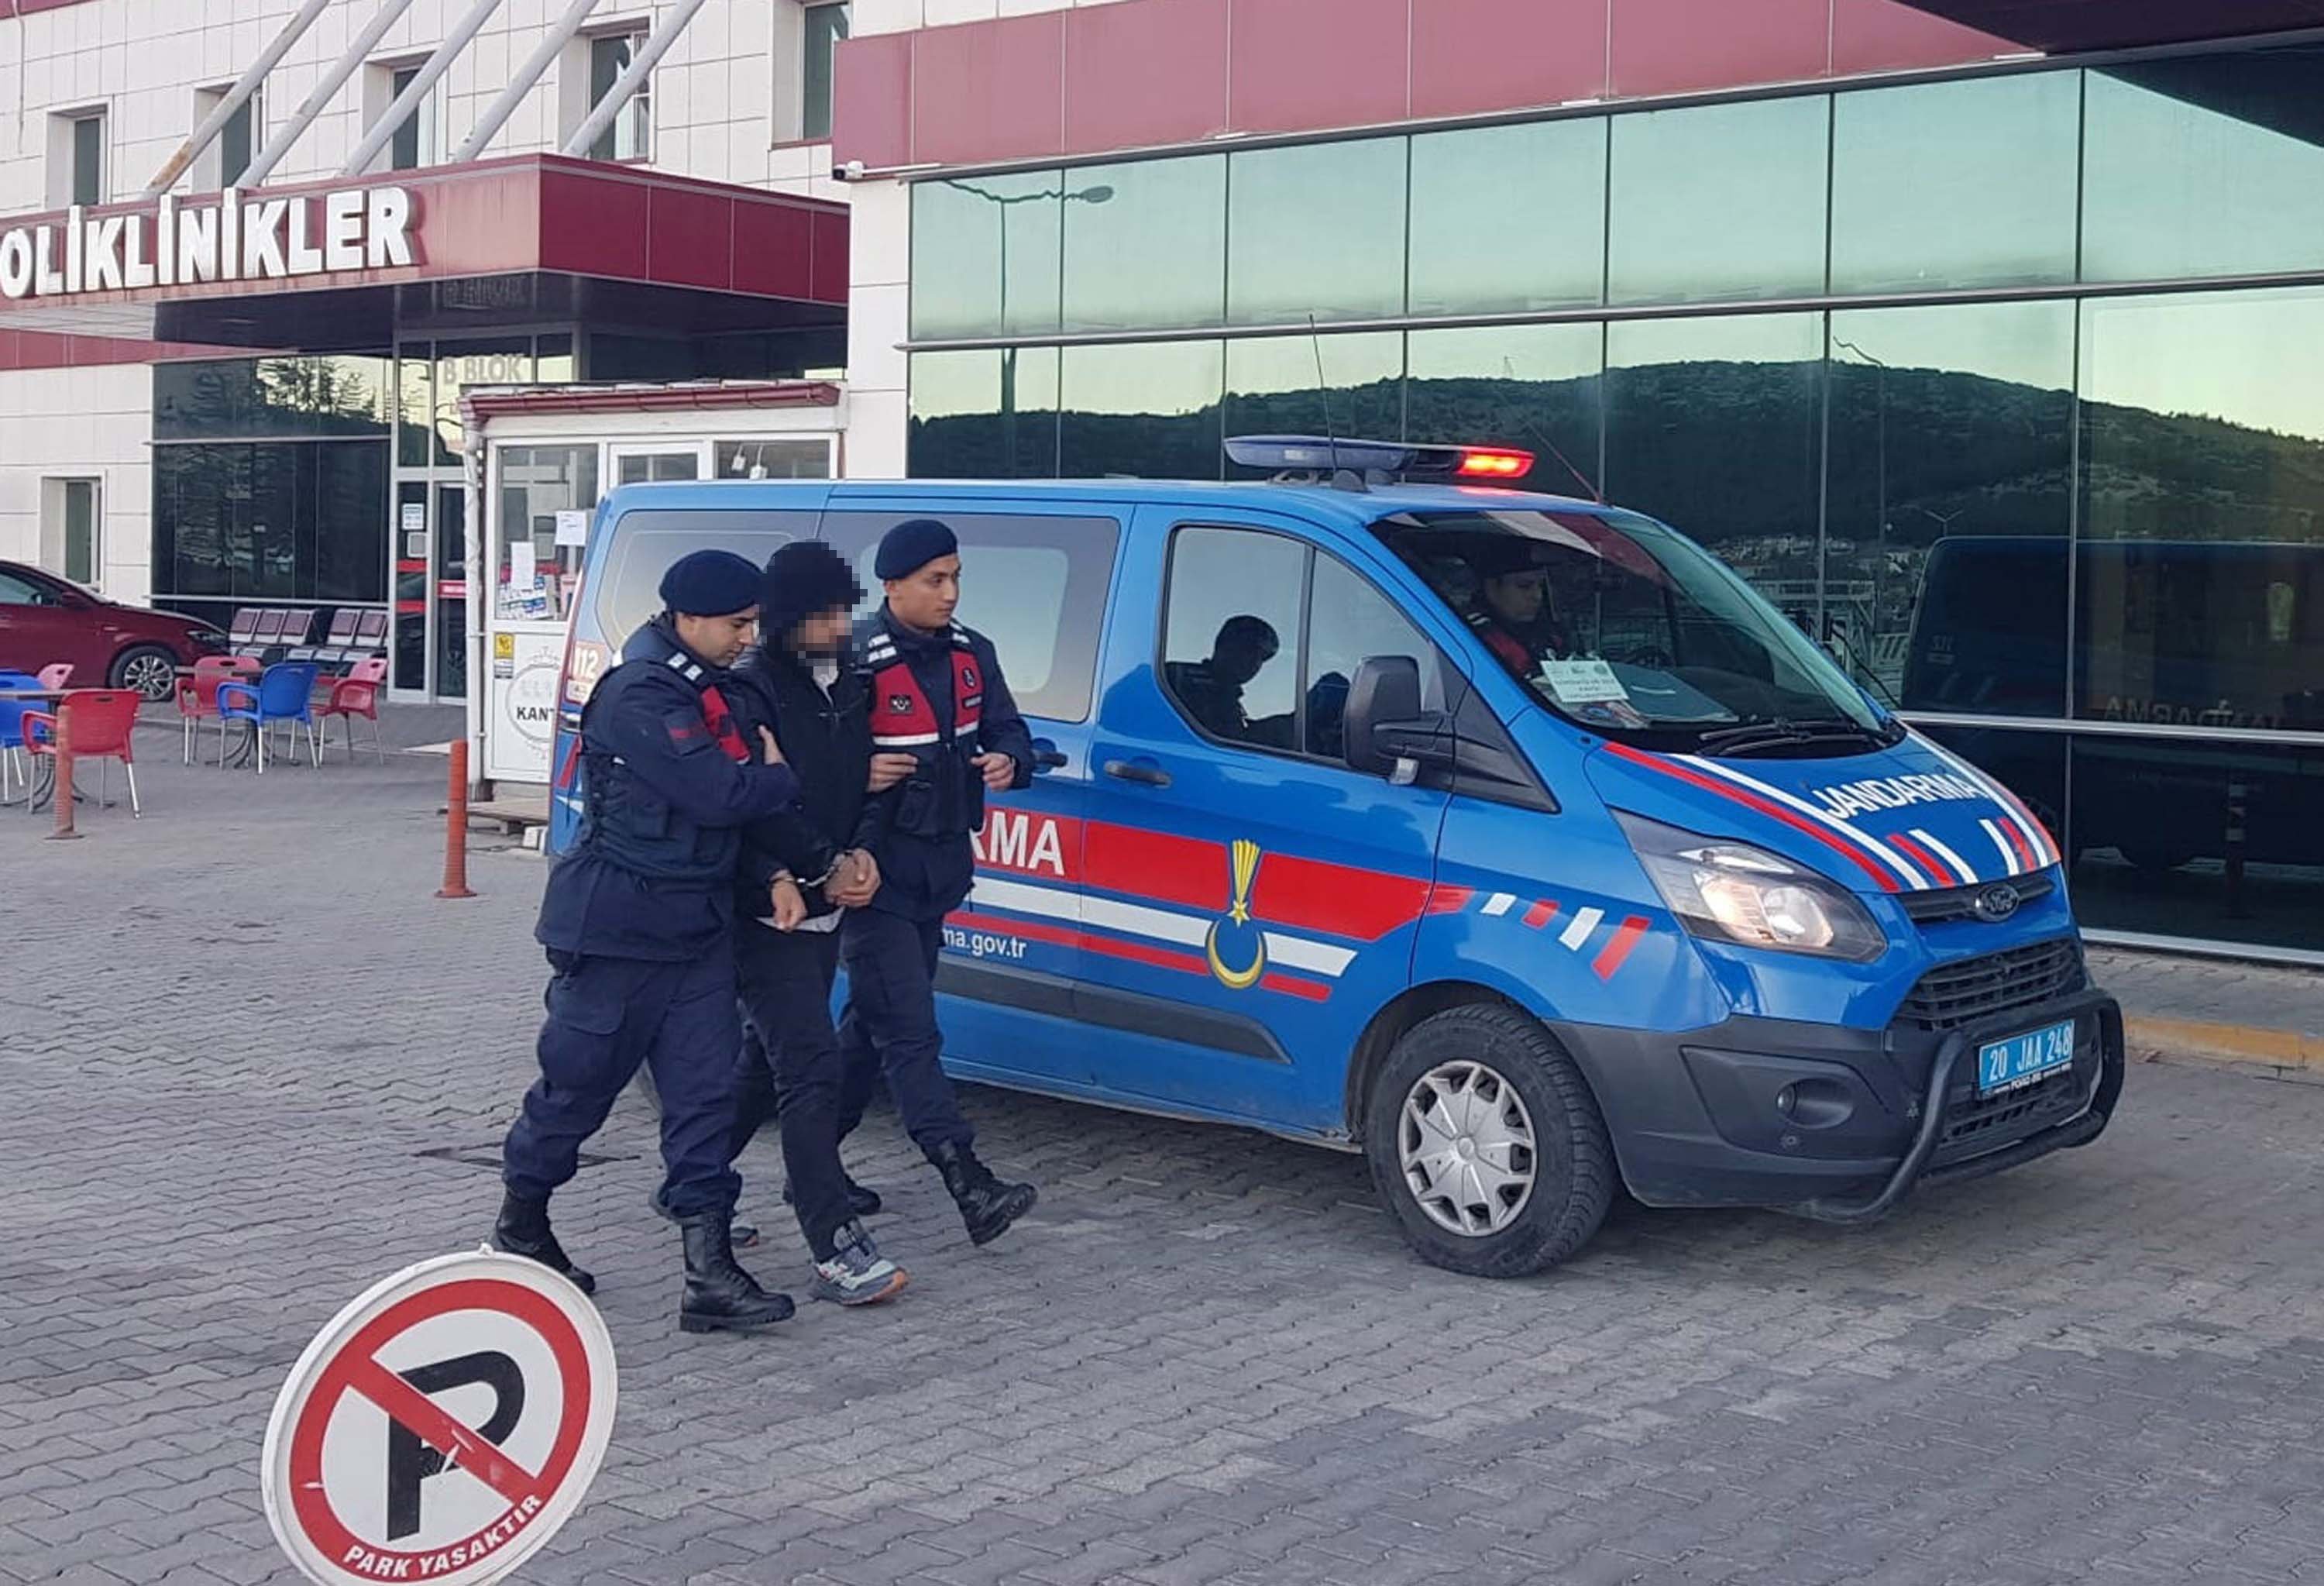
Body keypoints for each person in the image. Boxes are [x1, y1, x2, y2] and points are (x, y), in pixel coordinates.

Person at [493, 549, 802, 1337]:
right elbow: (719, 792)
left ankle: (710, 1276)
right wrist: (778, 779)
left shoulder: (713, 690)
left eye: (753, 624)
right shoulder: (640, 693)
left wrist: (767, 869)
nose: (747, 638)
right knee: (576, 1090)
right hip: (618, 932)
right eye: (737, 625)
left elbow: (727, 818)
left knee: (704, 1098)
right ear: (689, 617)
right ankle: (522, 1224)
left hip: (694, 930)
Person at [833, 517, 1040, 1246]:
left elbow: (1011, 731)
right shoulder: (851, 658)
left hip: (940, 869)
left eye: (955, 578)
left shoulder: (972, 653)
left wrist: (1011, 761)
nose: (950, 593)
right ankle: (967, 1180)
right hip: (872, 874)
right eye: (934, 580)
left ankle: (810, 1160)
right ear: (892, 586)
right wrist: (857, 771)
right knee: (911, 1028)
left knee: (869, 1024)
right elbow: (803, 763)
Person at [724, 540, 909, 1306]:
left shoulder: (854, 680)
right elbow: (758, 801)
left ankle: (690, 1182)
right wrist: (817, 863)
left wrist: (860, 852)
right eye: (823, 615)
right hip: (769, 907)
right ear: (785, 618)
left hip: (834, 895)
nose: (840, 626)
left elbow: (875, 774)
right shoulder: (750, 689)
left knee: (764, 1066)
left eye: (844, 610)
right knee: (811, 1067)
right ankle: (834, 1242)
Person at [1164, 615, 1289, 747]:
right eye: (1249, 651)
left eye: (1262, 657)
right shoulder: (1178, 679)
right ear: (1224, 646)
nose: (1255, 662)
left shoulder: (1228, 696)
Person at [1474, 545, 1572, 677]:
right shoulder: (1473, 638)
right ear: (1492, 589)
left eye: (1541, 586)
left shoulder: (1551, 632)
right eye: (1524, 586)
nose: (1537, 595)